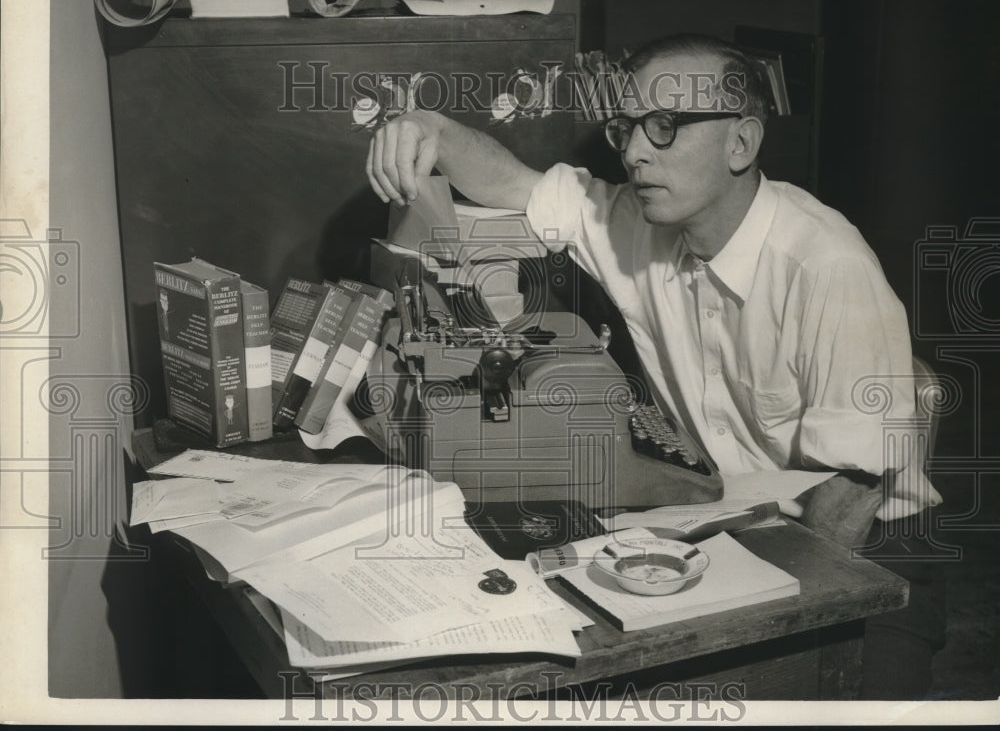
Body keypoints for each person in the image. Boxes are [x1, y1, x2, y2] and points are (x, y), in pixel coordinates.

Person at [366, 34, 944, 698]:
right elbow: (513, 183)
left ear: (741, 143)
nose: (637, 150)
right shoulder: (640, 223)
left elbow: (855, 488)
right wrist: (429, 127)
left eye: (666, 127)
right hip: (728, 520)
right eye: (628, 127)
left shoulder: (828, 264)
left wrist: (765, 620)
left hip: (867, 549)